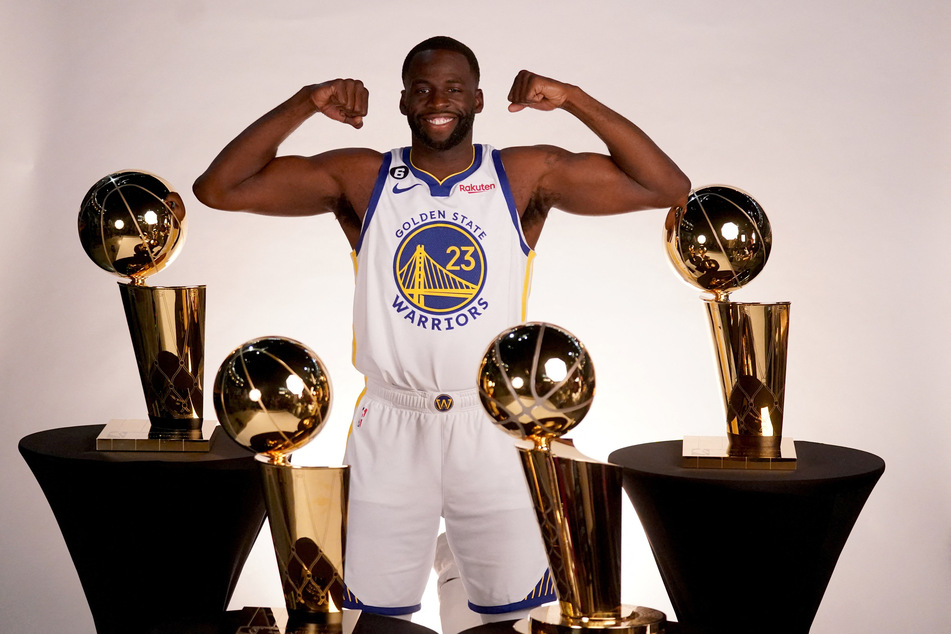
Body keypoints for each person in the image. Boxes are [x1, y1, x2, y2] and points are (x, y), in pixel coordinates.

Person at [194, 36, 689, 631]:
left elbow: (666, 186)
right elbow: (217, 189)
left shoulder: (522, 174)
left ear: (477, 98)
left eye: (454, 88)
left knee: (510, 621)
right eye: (423, 88)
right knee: (368, 621)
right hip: (392, 425)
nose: (438, 100)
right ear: (403, 100)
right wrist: (306, 102)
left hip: (495, 425)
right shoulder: (364, 175)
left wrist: (573, 99)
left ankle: (468, 582)